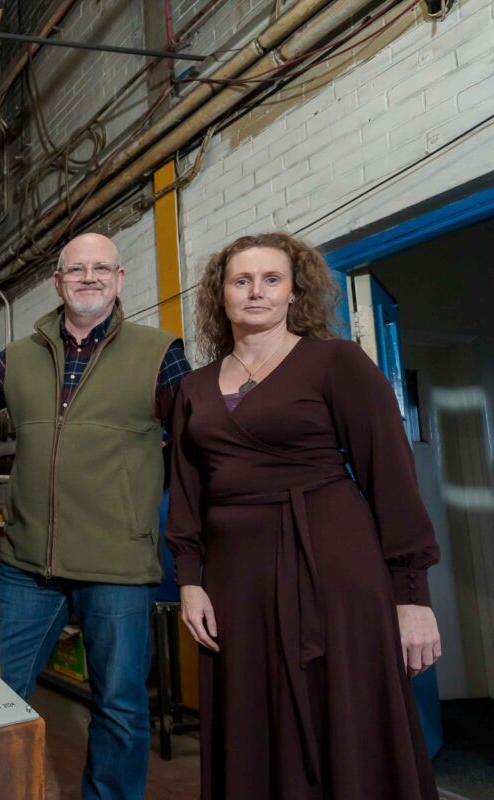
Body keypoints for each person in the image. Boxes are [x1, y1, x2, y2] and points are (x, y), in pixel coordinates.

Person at [167, 232, 441, 799]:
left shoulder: (336, 362)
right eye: (241, 281)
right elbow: (186, 492)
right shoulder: (192, 388)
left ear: (295, 293)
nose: (256, 292)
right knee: (252, 715)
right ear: (221, 296)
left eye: (272, 280)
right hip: (236, 579)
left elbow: (390, 476)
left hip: (333, 567)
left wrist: (412, 596)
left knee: (345, 711)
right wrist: (189, 582)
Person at [0, 231, 191, 800]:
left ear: (121, 279)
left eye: (102, 268)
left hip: (118, 564)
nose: (89, 278)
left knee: (121, 708)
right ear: (57, 282)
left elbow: (201, 448)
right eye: (76, 269)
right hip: (29, 566)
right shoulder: (20, 357)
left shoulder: (159, 354)